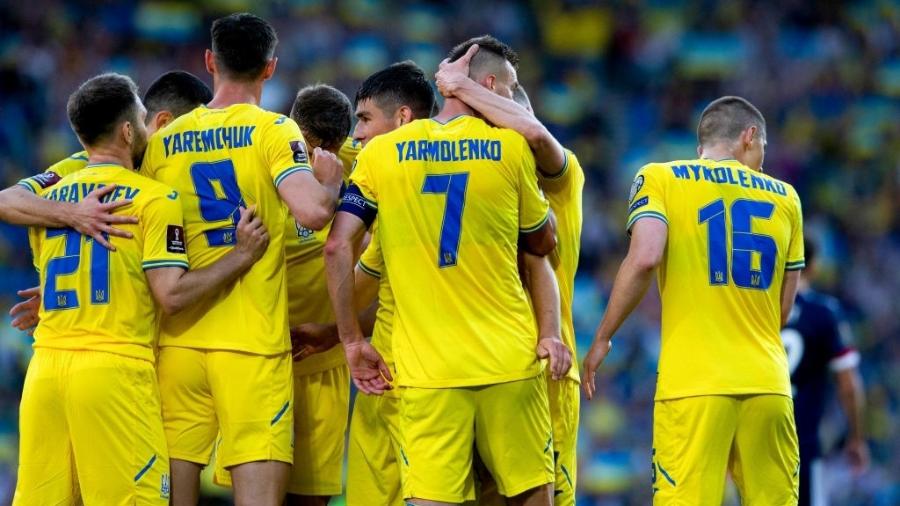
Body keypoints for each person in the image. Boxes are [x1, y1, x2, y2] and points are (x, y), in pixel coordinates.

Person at [325, 35, 570, 506]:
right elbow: (541, 242)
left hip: (426, 372)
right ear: (486, 87)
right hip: (508, 362)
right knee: (530, 496)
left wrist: (351, 340)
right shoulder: (510, 148)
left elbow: (337, 245)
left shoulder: (383, 154)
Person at [14, 72, 267, 505]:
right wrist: (241, 256)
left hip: (45, 372)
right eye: (145, 121)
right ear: (129, 130)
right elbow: (171, 295)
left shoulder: (53, 196)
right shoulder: (152, 198)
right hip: (115, 371)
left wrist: (71, 216)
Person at [139, 13, 343, 506]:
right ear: (270, 68)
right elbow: (314, 213)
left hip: (180, 345)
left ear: (210, 61)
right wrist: (331, 183)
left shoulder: (164, 141)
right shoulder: (274, 130)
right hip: (251, 345)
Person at [582, 96, 805, 505]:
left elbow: (646, 257)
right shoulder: (787, 198)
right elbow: (783, 309)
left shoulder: (661, 177)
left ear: (701, 146)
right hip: (769, 383)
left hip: (694, 384)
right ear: (748, 137)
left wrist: (603, 336)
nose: (762, 161)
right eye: (762, 152)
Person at [436, 45, 585, 505]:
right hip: (476, 368)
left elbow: (537, 135)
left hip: (544, 364)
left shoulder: (556, 170)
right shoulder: (475, 169)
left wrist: (459, 87)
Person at [212, 83, 358, 506]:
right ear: (296, 132)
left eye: (328, 148)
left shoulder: (361, 168)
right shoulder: (265, 155)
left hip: (323, 360)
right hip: (261, 355)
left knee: (312, 497)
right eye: (310, 147)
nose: (319, 158)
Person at [9, 70, 214, 332]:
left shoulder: (177, 175)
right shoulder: (84, 164)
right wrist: (74, 213)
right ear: (163, 123)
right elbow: (7, 200)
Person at [781, 239, 869, 506]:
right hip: (802, 441)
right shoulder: (824, 313)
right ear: (814, 265)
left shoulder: (759, 309)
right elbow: (848, 384)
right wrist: (855, 437)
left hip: (757, 436)